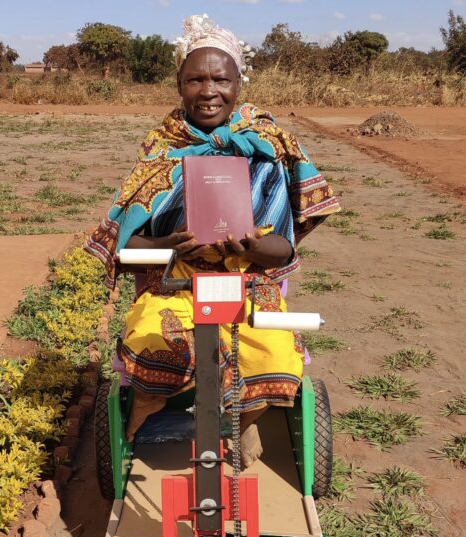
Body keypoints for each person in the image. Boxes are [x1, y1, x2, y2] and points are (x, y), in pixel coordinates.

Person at [83, 14, 340, 466]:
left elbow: (283, 246)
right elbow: (129, 248)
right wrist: (169, 245)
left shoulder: (265, 145)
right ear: (179, 84)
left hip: (248, 285)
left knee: (273, 352)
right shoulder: (163, 148)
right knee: (150, 340)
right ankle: (143, 415)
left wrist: (253, 248)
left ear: (239, 83)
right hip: (175, 283)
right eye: (194, 79)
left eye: (220, 79)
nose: (208, 91)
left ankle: (245, 420)